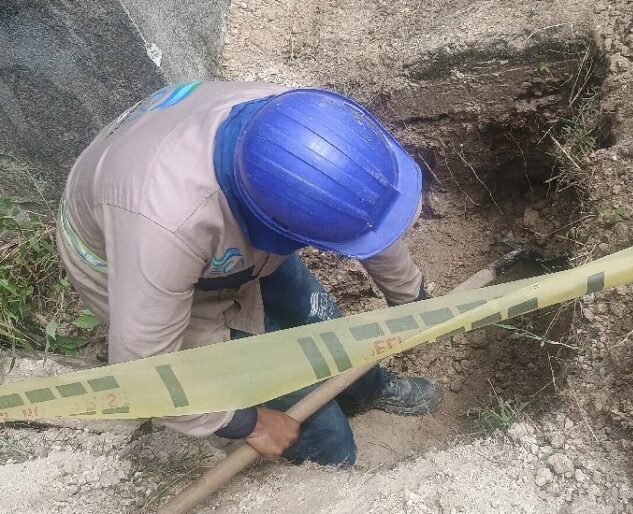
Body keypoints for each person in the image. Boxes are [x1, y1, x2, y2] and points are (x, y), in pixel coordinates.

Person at [56, 81, 442, 467]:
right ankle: (329, 459)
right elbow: (143, 371)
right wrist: (247, 423)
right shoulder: (164, 231)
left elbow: (367, 216)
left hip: (212, 216)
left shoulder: (302, 132)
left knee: (315, 316)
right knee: (328, 438)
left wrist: (410, 296)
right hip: (131, 260)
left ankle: (369, 388)